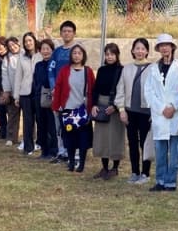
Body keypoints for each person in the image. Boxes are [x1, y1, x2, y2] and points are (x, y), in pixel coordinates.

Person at [144, 33, 178, 192]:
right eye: (162, 46)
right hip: (160, 116)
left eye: (167, 45)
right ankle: (160, 180)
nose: (164, 48)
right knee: (160, 152)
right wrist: (162, 109)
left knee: (175, 153)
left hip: (175, 115)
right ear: (158, 49)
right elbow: (148, 91)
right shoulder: (153, 68)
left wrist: (173, 107)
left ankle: (171, 182)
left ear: (172, 47)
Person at [52, 43, 94, 172]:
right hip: (68, 109)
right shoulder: (65, 70)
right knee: (69, 138)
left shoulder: (88, 71)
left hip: (82, 111)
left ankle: (81, 163)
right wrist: (56, 106)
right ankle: (70, 162)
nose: (76, 55)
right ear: (71, 55)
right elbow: (58, 88)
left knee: (83, 139)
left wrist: (91, 108)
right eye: (74, 53)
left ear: (83, 55)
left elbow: (93, 90)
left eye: (79, 53)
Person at [116, 37, 152, 184]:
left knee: (145, 143)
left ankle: (145, 173)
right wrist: (121, 110)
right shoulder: (126, 69)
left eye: (143, 48)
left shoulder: (152, 68)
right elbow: (120, 90)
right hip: (130, 112)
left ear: (147, 51)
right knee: (132, 143)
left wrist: (154, 111)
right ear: (132, 50)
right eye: (137, 48)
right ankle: (134, 172)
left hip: (146, 112)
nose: (140, 51)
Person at [91, 43, 125, 180]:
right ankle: (104, 168)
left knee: (116, 137)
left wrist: (116, 106)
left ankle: (115, 168)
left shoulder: (122, 70)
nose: (110, 57)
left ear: (117, 55)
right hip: (101, 105)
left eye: (112, 54)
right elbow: (96, 89)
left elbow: (124, 90)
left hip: (116, 106)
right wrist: (94, 105)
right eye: (107, 54)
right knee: (102, 138)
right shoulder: (101, 70)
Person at [51, 20, 77, 162]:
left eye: (69, 31)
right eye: (64, 31)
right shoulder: (57, 52)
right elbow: (51, 70)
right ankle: (62, 152)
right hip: (58, 94)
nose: (67, 33)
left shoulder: (77, 51)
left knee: (72, 124)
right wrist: (54, 87)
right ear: (61, 33)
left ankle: (74, 152)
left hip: (73, 94)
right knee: (59, 124)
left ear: (73, 33)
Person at [32, 38, 57, 157]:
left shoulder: (54, 64)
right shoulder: (38, 65)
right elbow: (36, 81)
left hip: (52, 96)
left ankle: (53, 150)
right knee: (41, 124)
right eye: (43, 49)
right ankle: (44, 150)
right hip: (39, 97)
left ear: (52, 50)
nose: (45, 51)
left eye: (48, 49)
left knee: (52, 124)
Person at [2, 37, 21, 146]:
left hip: (25, 91)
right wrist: (7, 90)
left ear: (18, 43)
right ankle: (11, 137)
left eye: (14, 45)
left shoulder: (25, 55)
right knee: (12, 115)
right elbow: (5, 76)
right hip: (13, 91)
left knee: (28, 117)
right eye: (10, 47)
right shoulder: (7, 59)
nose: (13, 48)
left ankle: (30, 137)